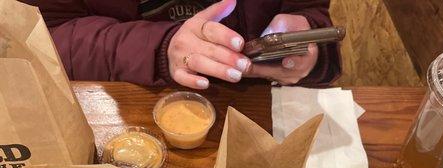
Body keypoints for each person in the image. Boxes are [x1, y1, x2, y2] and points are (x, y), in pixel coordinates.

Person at [23, 0, 340, 88]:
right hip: (127, 99)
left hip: (257, 103)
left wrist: (307, 39)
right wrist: (161, 47)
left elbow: (310, 12)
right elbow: (41, 35)